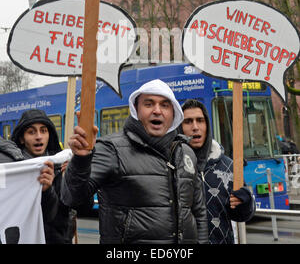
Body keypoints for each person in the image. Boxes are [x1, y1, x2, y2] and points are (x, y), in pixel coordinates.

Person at [61, 79, 208, 244]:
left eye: (165, 105)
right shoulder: (111, 149)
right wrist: (81, 159)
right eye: (149, 104)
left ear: (173, 113)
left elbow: (198, 212)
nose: (157, 111)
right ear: (136, 110)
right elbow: (72, 198)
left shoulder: (186, 153)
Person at [180, 99, 255, 244]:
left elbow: (242, 215)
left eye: (200, 120)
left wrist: (245, 202)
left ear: (207, 125)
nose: (195, 127)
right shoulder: (171, 165)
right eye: (188, 121)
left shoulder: (228, 165)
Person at [10, 109, 74, 244]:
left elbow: (59, 216)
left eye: (43, 131)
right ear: (21, 138)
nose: (38, 136)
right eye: (31, 132)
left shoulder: (61, 166)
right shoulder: (13, 170)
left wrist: (76, 173)